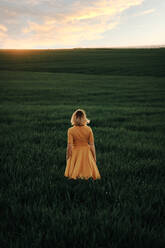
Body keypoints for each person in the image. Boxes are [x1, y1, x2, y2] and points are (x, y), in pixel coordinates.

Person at [64, 109, 101, 180]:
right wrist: (94, 157)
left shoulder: (71, 130)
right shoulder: (89, 129)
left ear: (74, 118)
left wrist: (68, 157)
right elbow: (92, 145)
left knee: (75, 171)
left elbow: (69, 146)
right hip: (86, 153)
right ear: (84, 118)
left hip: (75, 153)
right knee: (87, 171)